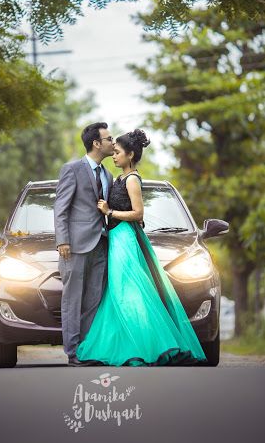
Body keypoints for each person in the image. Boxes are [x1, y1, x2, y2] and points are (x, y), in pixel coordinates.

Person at [75, 129, 208, 366]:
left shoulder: (133, 179)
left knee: (128, 293)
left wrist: (109, 212)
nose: (113, 156)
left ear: (130, 154)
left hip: (125, 239)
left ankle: (144, 346)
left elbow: (138, 213)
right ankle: (129, 344)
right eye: (113, 151)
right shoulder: (119, 178)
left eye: (117, 152)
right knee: (120, 293)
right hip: (116, 237)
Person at [54, 122, 114, 366]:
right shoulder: (72, 169)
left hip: (100, 244)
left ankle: (87, 349)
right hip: (75, 246)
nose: (113, 142)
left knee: (93, 301)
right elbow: (61, 208)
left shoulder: (108, 175)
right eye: (108, 139)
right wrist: (63, 241)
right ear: (96, 143)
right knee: (73, 300)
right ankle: (73, 352)